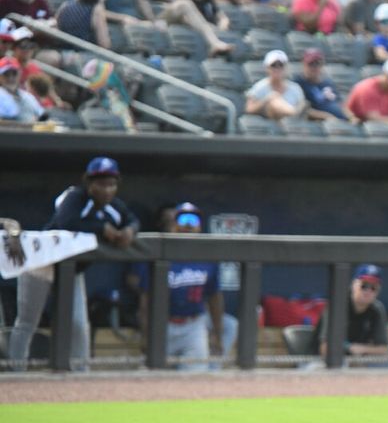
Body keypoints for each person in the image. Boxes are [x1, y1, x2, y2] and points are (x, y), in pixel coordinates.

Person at [8, 156, 138, 371]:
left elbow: (132, 219)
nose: (106, 190)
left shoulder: (115, 206)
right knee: (28, 322)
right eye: (100, 184)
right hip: (41, 264)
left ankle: (81, 373)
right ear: (88, 182)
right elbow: (66, 221)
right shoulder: (75, 197)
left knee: (78, 324)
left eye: (111, 184)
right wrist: (102, 228)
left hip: (71, 271)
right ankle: (15, 370)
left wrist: (130, 230)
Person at [135, 201, 225, 371]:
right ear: (173, 224)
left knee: (195, 379)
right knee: (154, 379)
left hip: (194, 326)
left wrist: (217, 334)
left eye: (194, 220)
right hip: (162, 325)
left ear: (200, 227)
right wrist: (146, 335)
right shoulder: (159, 253)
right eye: (183, 220)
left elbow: (215, 298)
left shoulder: (208, 257)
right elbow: (146, 301)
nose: (189, 225)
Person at [316, 263, 388, 362]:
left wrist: (361, 349)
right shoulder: (337, 305)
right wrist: (350, 348)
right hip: (318, 361)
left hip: (357, 363)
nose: (368, 291)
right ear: (353, 285)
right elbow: (324, 348)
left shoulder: (377, 309)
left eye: (373, 288)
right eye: (364, 286)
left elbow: (384, 349)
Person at [295, 47, 347, 121]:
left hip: (342, 122)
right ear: (304, 64)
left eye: (317, 63)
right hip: (324, 124)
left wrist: (351, 116)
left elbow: (340, 103)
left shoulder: (328, 82)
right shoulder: (298, 83)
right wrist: (326, 117)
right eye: (311, 64)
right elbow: (303, 110)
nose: (315, 67)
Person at [0, 55, 44, 124]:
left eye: (14, 74)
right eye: (6, 75)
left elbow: (42, 116)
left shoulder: (28, 96)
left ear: (19, 74)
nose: (11, 78)